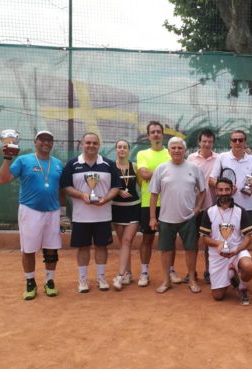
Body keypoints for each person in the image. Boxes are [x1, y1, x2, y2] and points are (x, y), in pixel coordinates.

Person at [0, 130, 64, 300]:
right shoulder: (23, 160)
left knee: (51, 250)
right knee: (28, 249)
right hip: (30, 210)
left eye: (49, 140)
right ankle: (30, 282)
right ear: (35, 142)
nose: (46, 143)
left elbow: (61, 190)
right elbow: (3, 179)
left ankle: (49, 281)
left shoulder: (57, 163)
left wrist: (63, 213)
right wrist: (7, 158)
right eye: (42, 139)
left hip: (53, 211)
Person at [60, 132, 121, 293]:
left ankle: (101, 278)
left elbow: (116, 186)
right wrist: (82, 195)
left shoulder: (108, 164)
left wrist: (106, 199)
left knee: (102, 246)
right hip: (81, 217)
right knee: (83, 248)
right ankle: (83, 280)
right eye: (88, 143)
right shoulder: (73, 164)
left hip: (103, 215)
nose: (91, 146)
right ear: (82, 144)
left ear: (99, 145)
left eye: (94, 143)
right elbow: (66, 186)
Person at [148, 137, 206, 294]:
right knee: (166, 250)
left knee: (191, 249)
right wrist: (153, 217)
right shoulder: (161, 168)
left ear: (185, 150)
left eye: (179, 148)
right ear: (168, 150)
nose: (176, 151)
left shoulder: (194, 168)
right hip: (166, 218)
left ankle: (192, 279)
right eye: (173, 148)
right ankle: (166, 280)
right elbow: (153, 195)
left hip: (188, 218)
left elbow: (203, 191)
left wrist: (197, 209)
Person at [136, 121, 180, 286]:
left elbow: (177, 172)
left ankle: (171, 270)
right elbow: (144, 174)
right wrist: (168, 171)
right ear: (148, 136)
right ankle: (144, 272)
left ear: (162, 135)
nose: (155, 134)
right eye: (152, 132)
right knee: (147, 239)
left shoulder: (170, 153)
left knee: (170, 240)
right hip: (149, 204)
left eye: (158, 132)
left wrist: (160, 172)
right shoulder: (142, 154)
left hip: (169, 204)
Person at [200, 177, 252, 305]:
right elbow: (205, 239)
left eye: (227, 189)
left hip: (237, 251)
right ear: (216, 192)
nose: (224, 192)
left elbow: (248, 237)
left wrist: (237, 250)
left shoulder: (241, 211)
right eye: (220, 190)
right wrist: (219, 243)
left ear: (232, 190)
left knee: (249, 267)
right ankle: (232, 276)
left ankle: (242, 288)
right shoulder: (209, 211)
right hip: (218, 255)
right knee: (218, 296)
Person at [186, 128, 219, 284]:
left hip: (212, 207)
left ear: (213, 143)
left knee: (209, 242)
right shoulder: (190, 159)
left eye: (210, 141)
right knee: (192, 241)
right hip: (194, 207)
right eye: (204, 141)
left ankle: (209, 271)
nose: (207, 144)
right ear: (199, 142)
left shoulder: (219, 159)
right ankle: (191, 273)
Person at [110, 139, 141, 291]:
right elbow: (108, 186)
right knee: (124, 243)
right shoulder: (110, 167)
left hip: (134, 208)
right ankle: (128, 273)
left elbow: (143, 185)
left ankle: (120, 275)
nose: (122, 149)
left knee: (127, 240)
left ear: (129, 150)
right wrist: (117, 191)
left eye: (124, 147)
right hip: (117, 209)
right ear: (116, 150)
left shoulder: (134, 166)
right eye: (119, 147)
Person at [209, 130, 252, 219]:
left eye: (240, 140)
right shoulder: (222, 157)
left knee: (246, 233)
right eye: (234, 140)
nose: (237, 142)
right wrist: (227, 188)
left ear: (245, 142)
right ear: (230, 143)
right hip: (225, 206)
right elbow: (211, 179)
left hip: (246, 207)